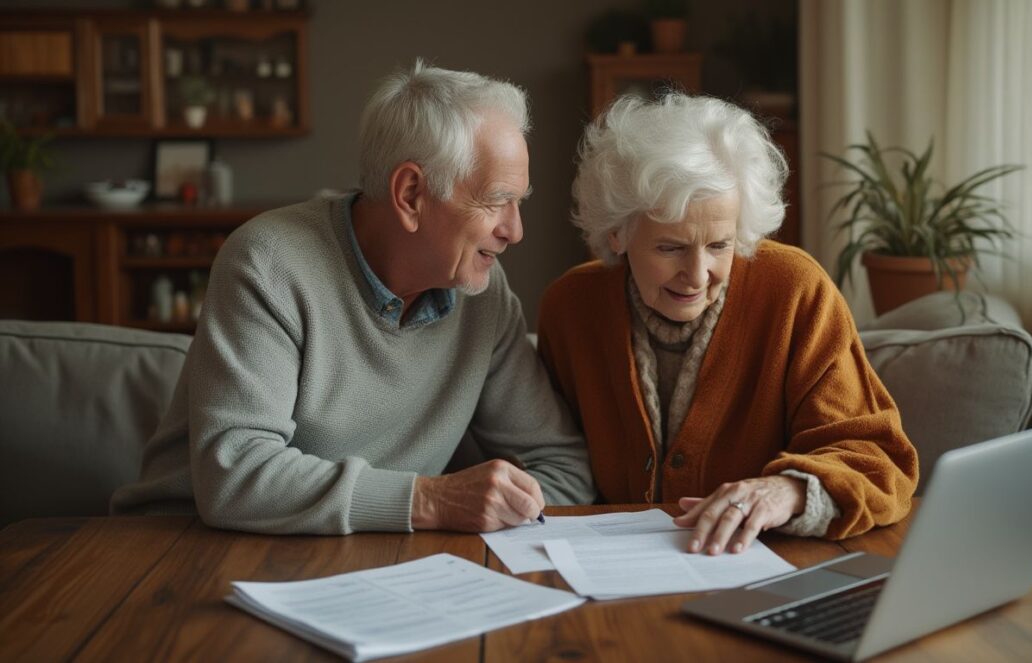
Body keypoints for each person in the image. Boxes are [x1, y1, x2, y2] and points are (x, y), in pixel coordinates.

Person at [111, 60, 595, 533]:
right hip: (183, 545)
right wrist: (431, 500)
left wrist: (496, 509)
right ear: (411, 194)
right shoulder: (269, 263)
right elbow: (235, 476)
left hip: (367, 554)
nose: (515, 231)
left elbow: (562, 466)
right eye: (496, 201)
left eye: (518, 202)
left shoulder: (482, 296)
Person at [537, 93, 918, 556]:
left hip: (761, 562)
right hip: (609, 569)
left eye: (720, 245)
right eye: (671, 248)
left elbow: (878, 459)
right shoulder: (571, 307)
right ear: (618, 232)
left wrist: (789, 490)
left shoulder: (795, 291)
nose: (698, 275)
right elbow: (548, 458)